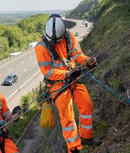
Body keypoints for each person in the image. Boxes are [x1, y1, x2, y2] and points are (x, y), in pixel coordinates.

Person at [35, 14, 101, 153]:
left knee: (87, 105)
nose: (54, 43)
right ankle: (74, 148)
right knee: (67, 117)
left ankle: (85, 137)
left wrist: (87, 61)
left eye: (57, 41)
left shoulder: (69, 37)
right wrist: (66, 74)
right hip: (56, 84)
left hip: (72, 78)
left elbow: (77, 55)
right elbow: (48, 72)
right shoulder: (41, 47)